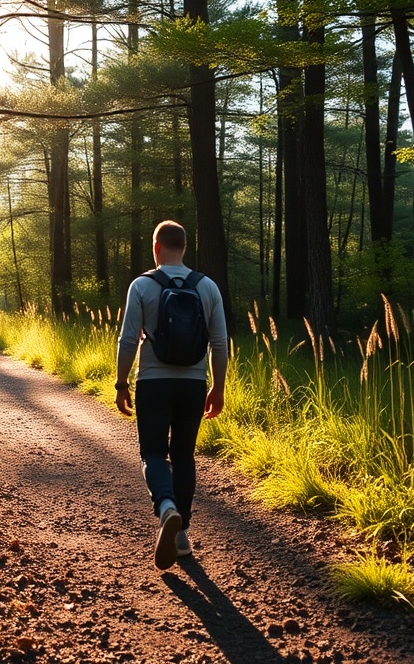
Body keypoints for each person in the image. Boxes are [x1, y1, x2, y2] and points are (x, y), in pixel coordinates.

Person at [115, 220, 228, 570]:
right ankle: (181, 537)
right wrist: (218, 388)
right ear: (184, 247)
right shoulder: (207, 286)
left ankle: (166, 508)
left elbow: (129, 339)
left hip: (153, 382)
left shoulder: (143, 285)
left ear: (156, 247)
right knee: (183, 456)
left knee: (152, 453)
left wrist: (122, 383)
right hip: (193, 385)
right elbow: (220, 344)